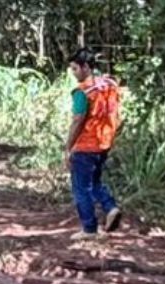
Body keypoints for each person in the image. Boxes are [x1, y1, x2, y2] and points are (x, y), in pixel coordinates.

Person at [63, 49, 124, 238]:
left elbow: (78, 119)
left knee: (81, 187)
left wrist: (68, 147)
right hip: (103, 143)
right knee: (95, 181)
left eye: (75, 69)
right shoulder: (109, 85)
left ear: (86, 67)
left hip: (85, 146)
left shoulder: (82, 92)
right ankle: (110, 207)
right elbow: (117, 114)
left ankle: (89, 229)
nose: (73, 73)